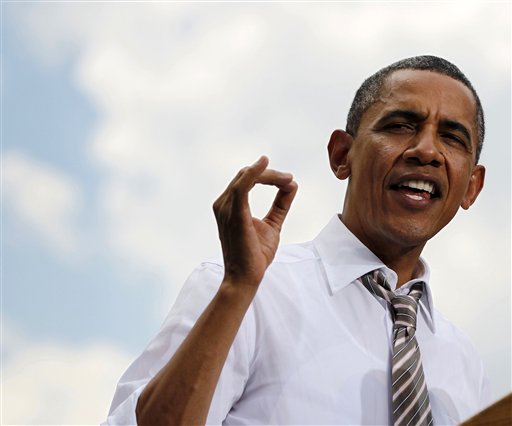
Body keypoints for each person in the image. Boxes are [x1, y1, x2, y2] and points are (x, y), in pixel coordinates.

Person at [104, 55, 491, 425]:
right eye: (401, 126)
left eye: (452, 137)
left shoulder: (465, 363)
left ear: (471, 187)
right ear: (342, 155)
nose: (426, 150)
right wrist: (237, 288)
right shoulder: (248, 292)